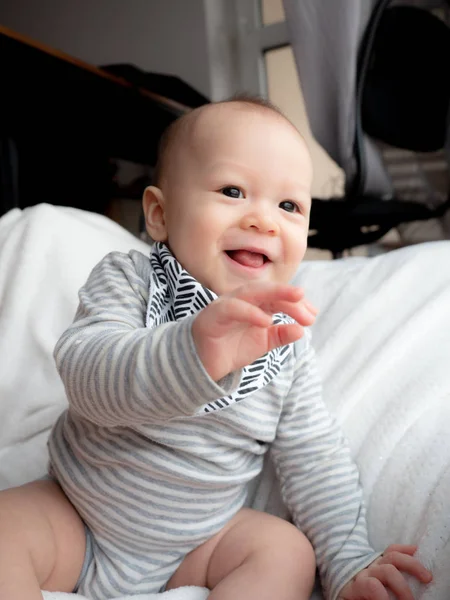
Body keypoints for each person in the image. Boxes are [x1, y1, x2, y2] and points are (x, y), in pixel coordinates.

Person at [0, 97, 432, 600]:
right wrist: (191, 352)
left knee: (287, 552)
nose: (264, 221)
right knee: (6, 528)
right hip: (77, 515)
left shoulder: (284, 341)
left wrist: (347, 556)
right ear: (160, 215)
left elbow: (314, 460)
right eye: (233, 191)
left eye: (289, 206)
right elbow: (86, 376)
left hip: (199, 543)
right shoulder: (131, 280)